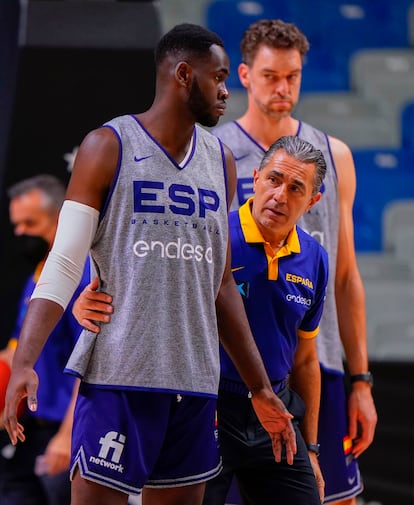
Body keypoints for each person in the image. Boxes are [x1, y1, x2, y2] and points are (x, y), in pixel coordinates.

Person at [3, 23, 297, 505]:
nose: (226, 92)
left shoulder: (221, 161)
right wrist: (25, 361)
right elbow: (61, 264)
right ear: (184, 75)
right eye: (219, 78)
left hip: (196, 384)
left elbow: (221, 283)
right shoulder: (107, 146)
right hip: (119, 377)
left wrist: (260, 388)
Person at [73, 135, 329, 504]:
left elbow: (306, 359)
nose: (280, 195)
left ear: (313, 201)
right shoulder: (210, 232)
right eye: (273, 180)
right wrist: (84, 302)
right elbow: (135, 285)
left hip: (275, 411)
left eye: (295, 188)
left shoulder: (315, 258)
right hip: (207, 404)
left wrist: (313, 447)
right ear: (255, 178)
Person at [210, 19, 377, 505]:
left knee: (333, 497)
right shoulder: (215, 152)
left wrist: (361, 380)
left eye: (293, 76)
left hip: (311, 361)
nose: (283, 88)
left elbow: (345, 277)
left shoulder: (334, 155)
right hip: (228, 378)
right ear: (244, 75)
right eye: (270, 76)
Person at [0, 174, 89, 505]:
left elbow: (89, 362)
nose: (20, 232)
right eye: (16, 224)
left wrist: (67, 438)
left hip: (64, 431)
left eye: (29, 222)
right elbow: (15, 351)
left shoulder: (80, 277)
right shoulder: (37, 274)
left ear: (58, 219)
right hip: (27, 429)